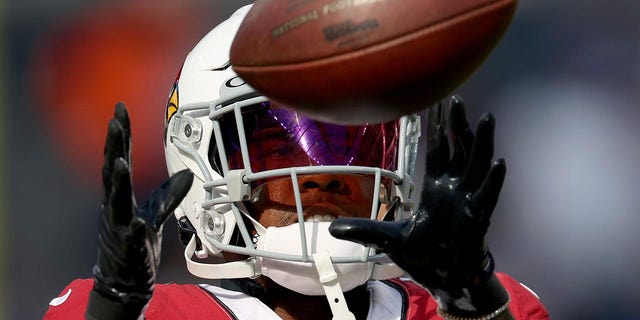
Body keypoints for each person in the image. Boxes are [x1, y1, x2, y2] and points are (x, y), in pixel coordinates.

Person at [45, 5, 549, 320]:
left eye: (355, 145)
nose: (326, 174)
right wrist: (111, 310)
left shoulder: (476, 307)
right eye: (281, 147)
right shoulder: (155, 315)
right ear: (204, 166)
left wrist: (473, 302)